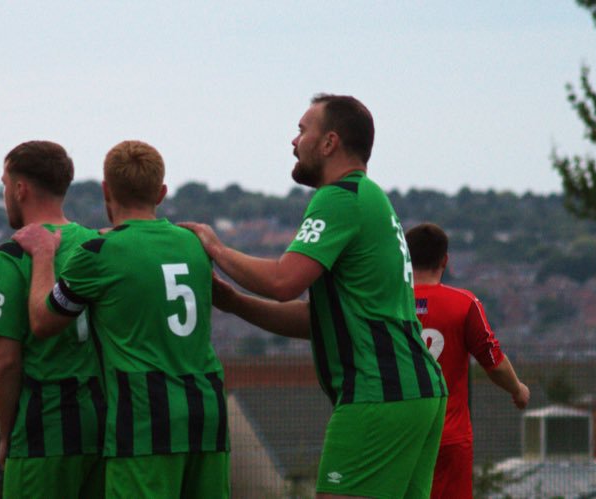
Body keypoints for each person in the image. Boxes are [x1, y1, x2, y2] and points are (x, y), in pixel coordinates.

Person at [181, 94, 446, 499]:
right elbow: (319, 320)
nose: (294, 142)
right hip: (417, 392)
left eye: (303, 131)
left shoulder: (338, 198)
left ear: (329, 143)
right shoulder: (372, 199)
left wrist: (216, 249)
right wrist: (234, 302)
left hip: (378, 393)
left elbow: (284, 280)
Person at [13, 140, 229, 498]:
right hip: (208, 414)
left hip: (146, 422)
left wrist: (42, 254)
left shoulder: (98, 254)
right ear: (161, 192)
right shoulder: (194, 243)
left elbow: (42, 321)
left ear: (105, 189)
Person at [0, 141, 106, 498]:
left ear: (20, 189)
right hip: (101, 426)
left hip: (44, 428)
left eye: (4, 183)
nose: (5, 192)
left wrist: (7, 435)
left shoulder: (11, 255)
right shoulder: (96, 244)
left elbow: (5, 361)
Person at [405, 222, 529, 499]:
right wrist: (517, 389)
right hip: (448, 436)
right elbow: (494, 363)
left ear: (406, 257)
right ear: (445, 260)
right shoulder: (464, 304)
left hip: (397, 434)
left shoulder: (385, 302)